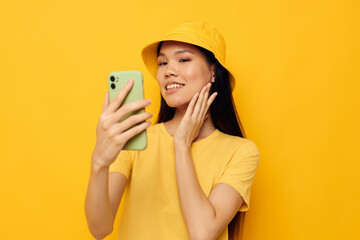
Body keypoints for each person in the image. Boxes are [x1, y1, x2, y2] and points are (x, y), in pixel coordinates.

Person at [85, 21, 260, 240]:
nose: (169, 71)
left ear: (213, 72)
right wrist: (99, 162)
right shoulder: (136, 140)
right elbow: (99, 229)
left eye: (183, 59)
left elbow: (202, 233)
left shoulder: (241, 152)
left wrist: (182, 145)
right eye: (162, 62)